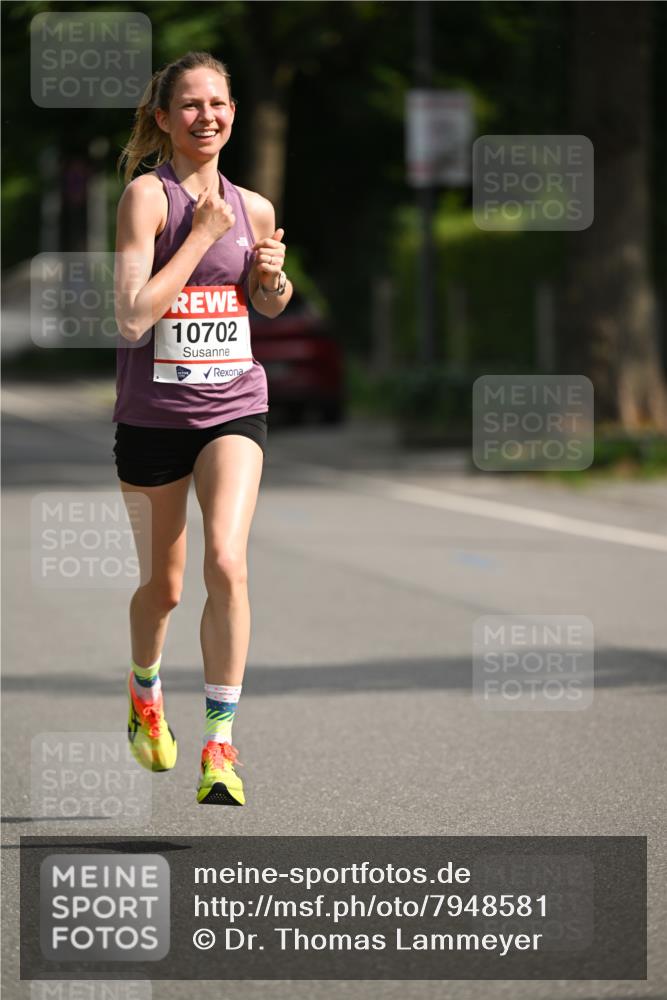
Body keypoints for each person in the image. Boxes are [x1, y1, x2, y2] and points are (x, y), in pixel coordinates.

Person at [112, 51, 292, 806]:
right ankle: (145, 690)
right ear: (163, 118)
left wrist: (273, 280)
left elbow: (269, 306)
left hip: (232, 405)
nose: (206, 117)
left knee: (227, 559)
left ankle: (220, 743)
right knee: (166, 588)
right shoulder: (145, 201)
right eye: (189, 105)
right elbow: (130, 318)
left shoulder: (253, 207)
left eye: (218, 103)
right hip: (153, 416)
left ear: (233, 112)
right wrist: (197, 237)